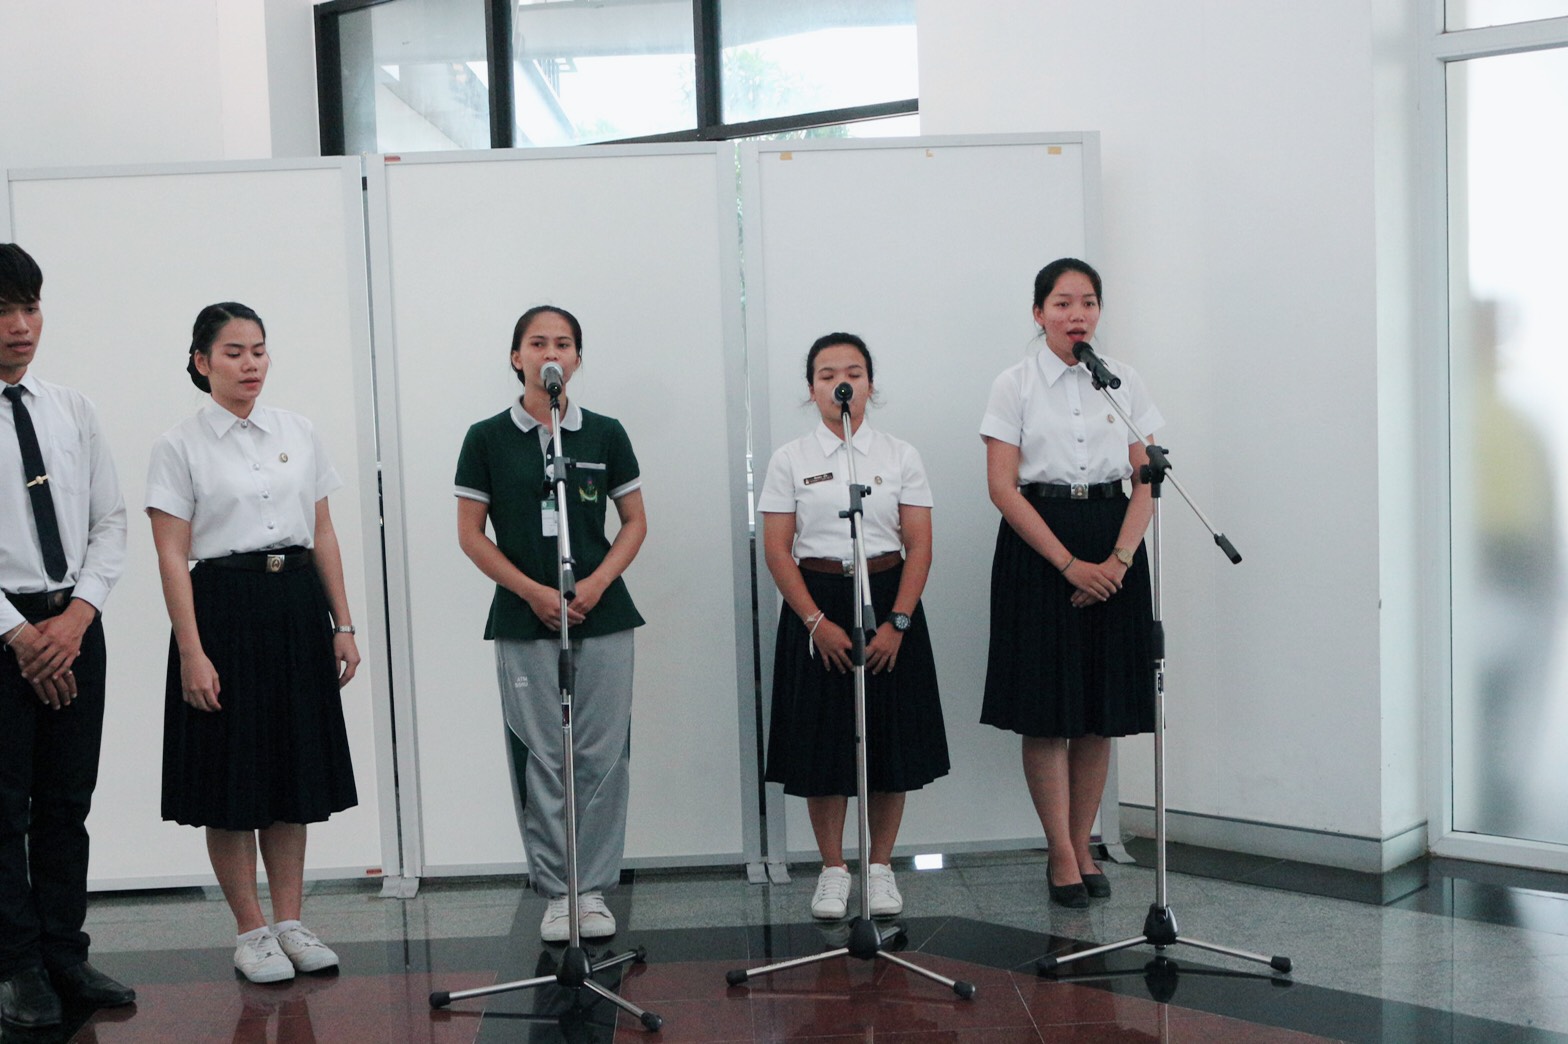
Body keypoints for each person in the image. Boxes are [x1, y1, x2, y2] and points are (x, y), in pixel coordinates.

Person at [147, 302, 360, 983]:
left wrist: (343, 623)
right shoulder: (179, 445)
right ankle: (250, 930)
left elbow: (322, 531)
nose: (250, 365)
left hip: (295, 603)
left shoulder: (298, 431)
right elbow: (171, 554)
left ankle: (291, 922)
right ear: (201, 361)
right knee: (232, 774)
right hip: (223, 609)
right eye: (234, 352)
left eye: (259, 351)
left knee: (293, 768)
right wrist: (192, 650)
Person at [455, 305, 647, 943]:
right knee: (542, 755)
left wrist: (596, 583)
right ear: (517, 357)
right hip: (524, 615)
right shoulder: (486, 438)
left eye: (563, 344)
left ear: (577, 359)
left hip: (603, 614)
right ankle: (556, 891)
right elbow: (471, 535)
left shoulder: (605, 434)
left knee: (600, 754)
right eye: (537, 343)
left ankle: (591, 889)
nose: (550, 353)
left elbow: (635, 522)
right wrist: (532, 591)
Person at [979, 258, 1162, 909]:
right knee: (1048, 713)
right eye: (1062, 303)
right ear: (1039, 314)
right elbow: (1003, 487)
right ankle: (1060, 852)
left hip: (1114, 538)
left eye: (1087, 302)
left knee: (1097, 715)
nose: (1076, 314)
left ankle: (1084, 844)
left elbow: (1147, 477)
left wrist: (1117, 561)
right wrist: (1068, 565)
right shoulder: (1015, 384)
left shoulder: (1123, 381)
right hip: (1040, 544)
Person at [758, 333, 950, 921]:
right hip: (817, 599)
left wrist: (898, 621)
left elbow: (919, 545)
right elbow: (777, 548)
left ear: (869, 383)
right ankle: (833, 870)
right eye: (827, 375)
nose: (841, 383)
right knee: (822, 740)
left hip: (888, 594)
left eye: (853, 373)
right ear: (811, 388)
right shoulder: (791, 458)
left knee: (889, 737)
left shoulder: (899, 455)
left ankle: (881, 867)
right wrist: (814, 621)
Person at [0, 243, 135, 1029]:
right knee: (3, 809)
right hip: (6, 632)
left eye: (31, 308)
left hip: (75, 623)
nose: (21, 327)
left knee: (65, 801)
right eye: (4, 312)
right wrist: (21, 635)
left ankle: (64, 954)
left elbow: (110, 520)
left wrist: (77, 618)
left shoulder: (71, 408)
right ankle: (16, 966)